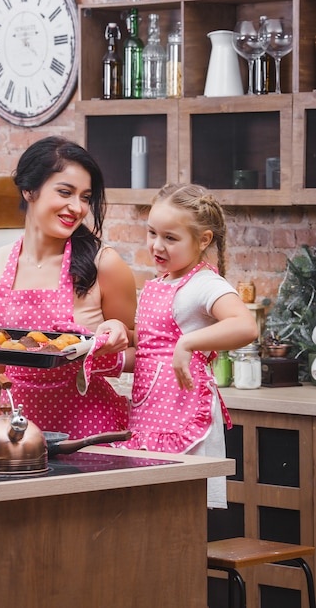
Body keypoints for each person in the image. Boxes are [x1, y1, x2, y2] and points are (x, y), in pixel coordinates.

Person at [99, 183, 258, 508]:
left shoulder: (204, 284)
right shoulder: (160, 283)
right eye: (152, 232)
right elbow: (151, 349)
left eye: (171, 238)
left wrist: (188, 343)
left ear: (203, 240)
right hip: (150, 412)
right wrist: (120, 334)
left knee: (181, 514)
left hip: (181, 414)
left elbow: (245, 325)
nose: (157, 245)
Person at [0, 136, 137, 438]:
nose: (77, 207)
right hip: (15, 429)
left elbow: (144, 352)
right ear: (29, 189)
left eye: (85, 197)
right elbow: (2, 365)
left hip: (87, 431)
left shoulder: (103, 264)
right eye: (65, 192)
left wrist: (100, 351)